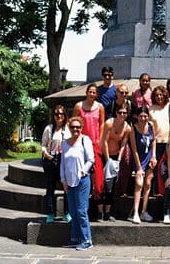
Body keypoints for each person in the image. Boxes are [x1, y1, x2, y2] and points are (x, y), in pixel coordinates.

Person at [60, 116, 94, 251]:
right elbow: (62, 163)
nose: (75, 129)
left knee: (81, 211)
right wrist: (63, 180)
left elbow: (91, 159)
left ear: (82, 128)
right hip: (69, 181)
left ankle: (87, 240)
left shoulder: (85, 140)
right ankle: (75, 238)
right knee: (73, 212)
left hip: (82, 180)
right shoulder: (64, 143)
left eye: (78, 127)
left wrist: (82, 171)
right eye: (73, 127)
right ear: (69, 127)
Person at [73, 84, 106, 221]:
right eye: (90, 92)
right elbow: (73, 122)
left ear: (96, 94)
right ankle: (80, 208)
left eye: (94, 92)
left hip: (95, 143)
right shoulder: (79, 106)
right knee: (81, 175)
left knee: (98, 178)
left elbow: (102, 123)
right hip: (81, 144)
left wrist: (100, 138)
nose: (92, 94)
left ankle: (99, 210)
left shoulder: (99, 107)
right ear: (86, 93)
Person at [100, 102, 131, 221]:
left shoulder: (127, 127)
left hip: (115, 156)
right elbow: (104, 142)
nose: (122, 115)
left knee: (111, 185)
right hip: (103, 155)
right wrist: (107, 160)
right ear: (116, 113)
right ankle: (100, 211)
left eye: (124, 113)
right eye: (120, 112)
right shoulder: (109, 123)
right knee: (101, 184)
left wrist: (118, 159)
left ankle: (107, 212)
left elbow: (123, 144)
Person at [149, 85, 170, 196]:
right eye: (157, 95)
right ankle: (156, 191)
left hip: (169, 142)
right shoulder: (151, 108)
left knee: (168, 167)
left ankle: (169, 190)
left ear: (165, 95)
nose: (159, 97)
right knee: (156, 168)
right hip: (155, 143)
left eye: (161, 95)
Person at [41, 105, 70, 223]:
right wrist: (46, 154)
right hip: (51, 158)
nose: (59, 116)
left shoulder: (67, 128)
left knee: (66, 187)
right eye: (57, 114)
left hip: (63, 160)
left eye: (61, 114)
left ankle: (67, 212)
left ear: (64, 116)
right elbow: (43, 145)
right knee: (50, 187)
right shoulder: (49, 128)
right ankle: (50, 213)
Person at [129, 105, 157, 224]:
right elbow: (134, 149)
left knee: (147, 184)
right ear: (137, 116)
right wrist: (139, 167)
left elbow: (153, 141)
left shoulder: (151, 126)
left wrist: (154, 156)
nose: (143, 118)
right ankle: (135, 212)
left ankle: (144, 211)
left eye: (145, 116)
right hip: (138, 159)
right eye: (141, 116)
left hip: (149, 158)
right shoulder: (133, 129)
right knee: (139, 184)